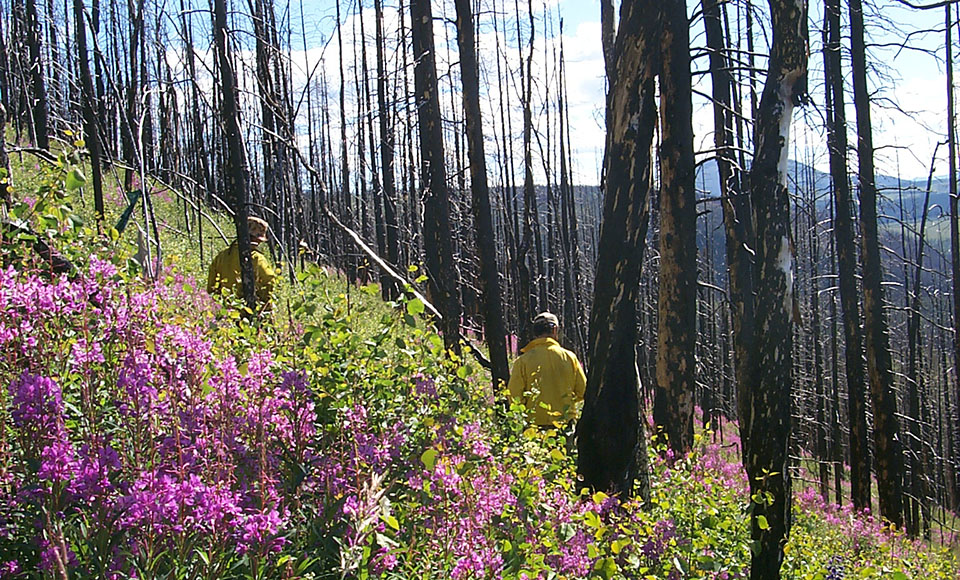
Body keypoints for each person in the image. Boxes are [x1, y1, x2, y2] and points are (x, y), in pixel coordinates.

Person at [507, 312, 587, 428]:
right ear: (554, 330)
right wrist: (565, 401)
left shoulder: (523, 361)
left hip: (534, 426)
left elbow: (514, 397)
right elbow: (582, 391)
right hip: (564, 423)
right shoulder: (570, 357)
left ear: (535, 332)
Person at [207, 216, 276, 309]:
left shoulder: (223, 255)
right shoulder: (257, 258)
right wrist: (264, 305)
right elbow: (269, 281)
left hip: (225, 311)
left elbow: (211, 284)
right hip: (248, 312)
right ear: (255, 238)